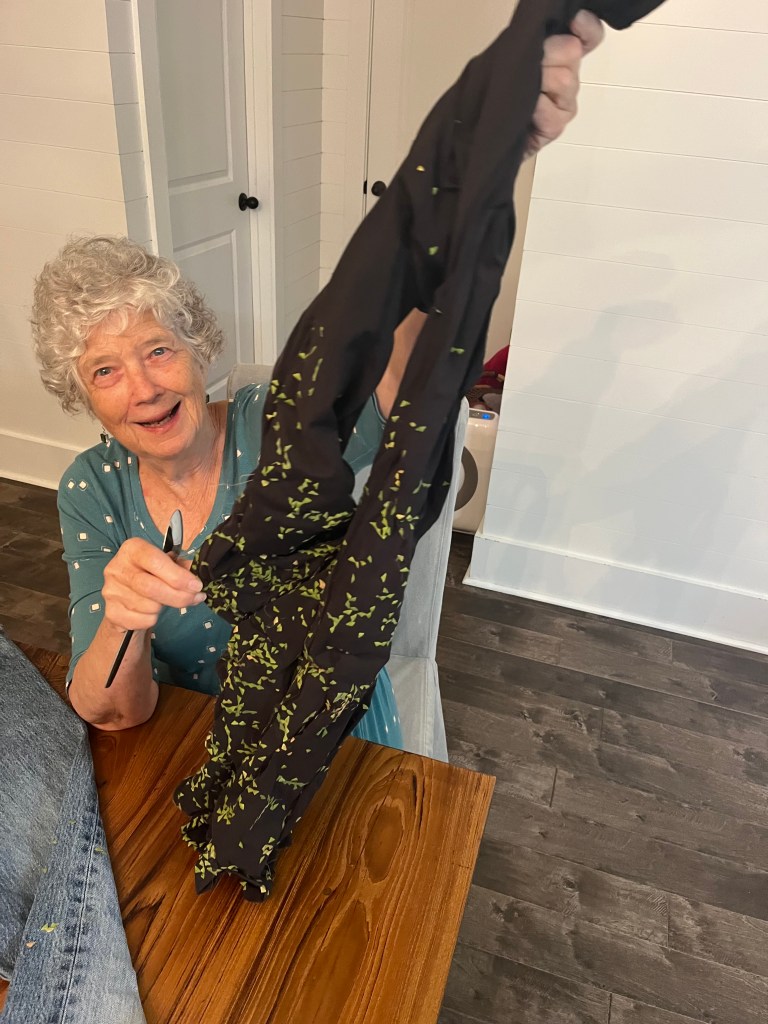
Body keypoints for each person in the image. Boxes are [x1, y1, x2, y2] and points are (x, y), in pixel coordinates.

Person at [30, 11, 604, 736]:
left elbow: (403, 369)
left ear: (199, 349)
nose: (142, 389)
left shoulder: (279, 422)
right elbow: (112, 712)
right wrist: (121, 621)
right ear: (82, 394)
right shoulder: (93, 488)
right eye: (105, 371)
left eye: (158, 351)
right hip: (186, 738)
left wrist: (483, 161)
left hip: (322, 732)